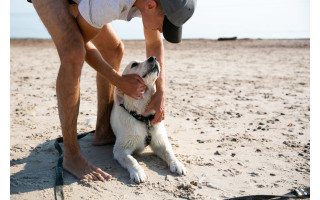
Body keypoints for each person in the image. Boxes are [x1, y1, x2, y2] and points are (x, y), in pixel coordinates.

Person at [30, 0, 196, 181]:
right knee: (73, 52)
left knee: (113, 49)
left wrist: (161, 91)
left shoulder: (150, 3)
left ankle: (103, 130)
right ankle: (71, 155)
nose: (163, 31)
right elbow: (80, 44)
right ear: (150, 6)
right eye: (164, 24)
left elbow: (154, 45)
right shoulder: (110, 3)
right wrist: (118, 81)